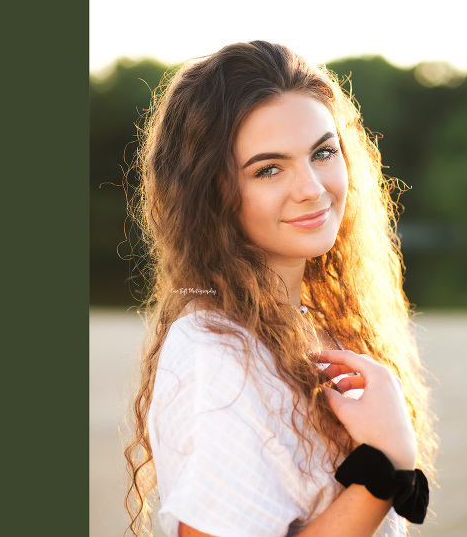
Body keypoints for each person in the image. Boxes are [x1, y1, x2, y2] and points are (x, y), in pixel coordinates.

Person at [123, 41, 436, 537]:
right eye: (269, 168)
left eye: (323, 152)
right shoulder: (216, 353)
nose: (312, 187)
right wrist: (386, 467)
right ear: (212, 193)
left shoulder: (312, 324)